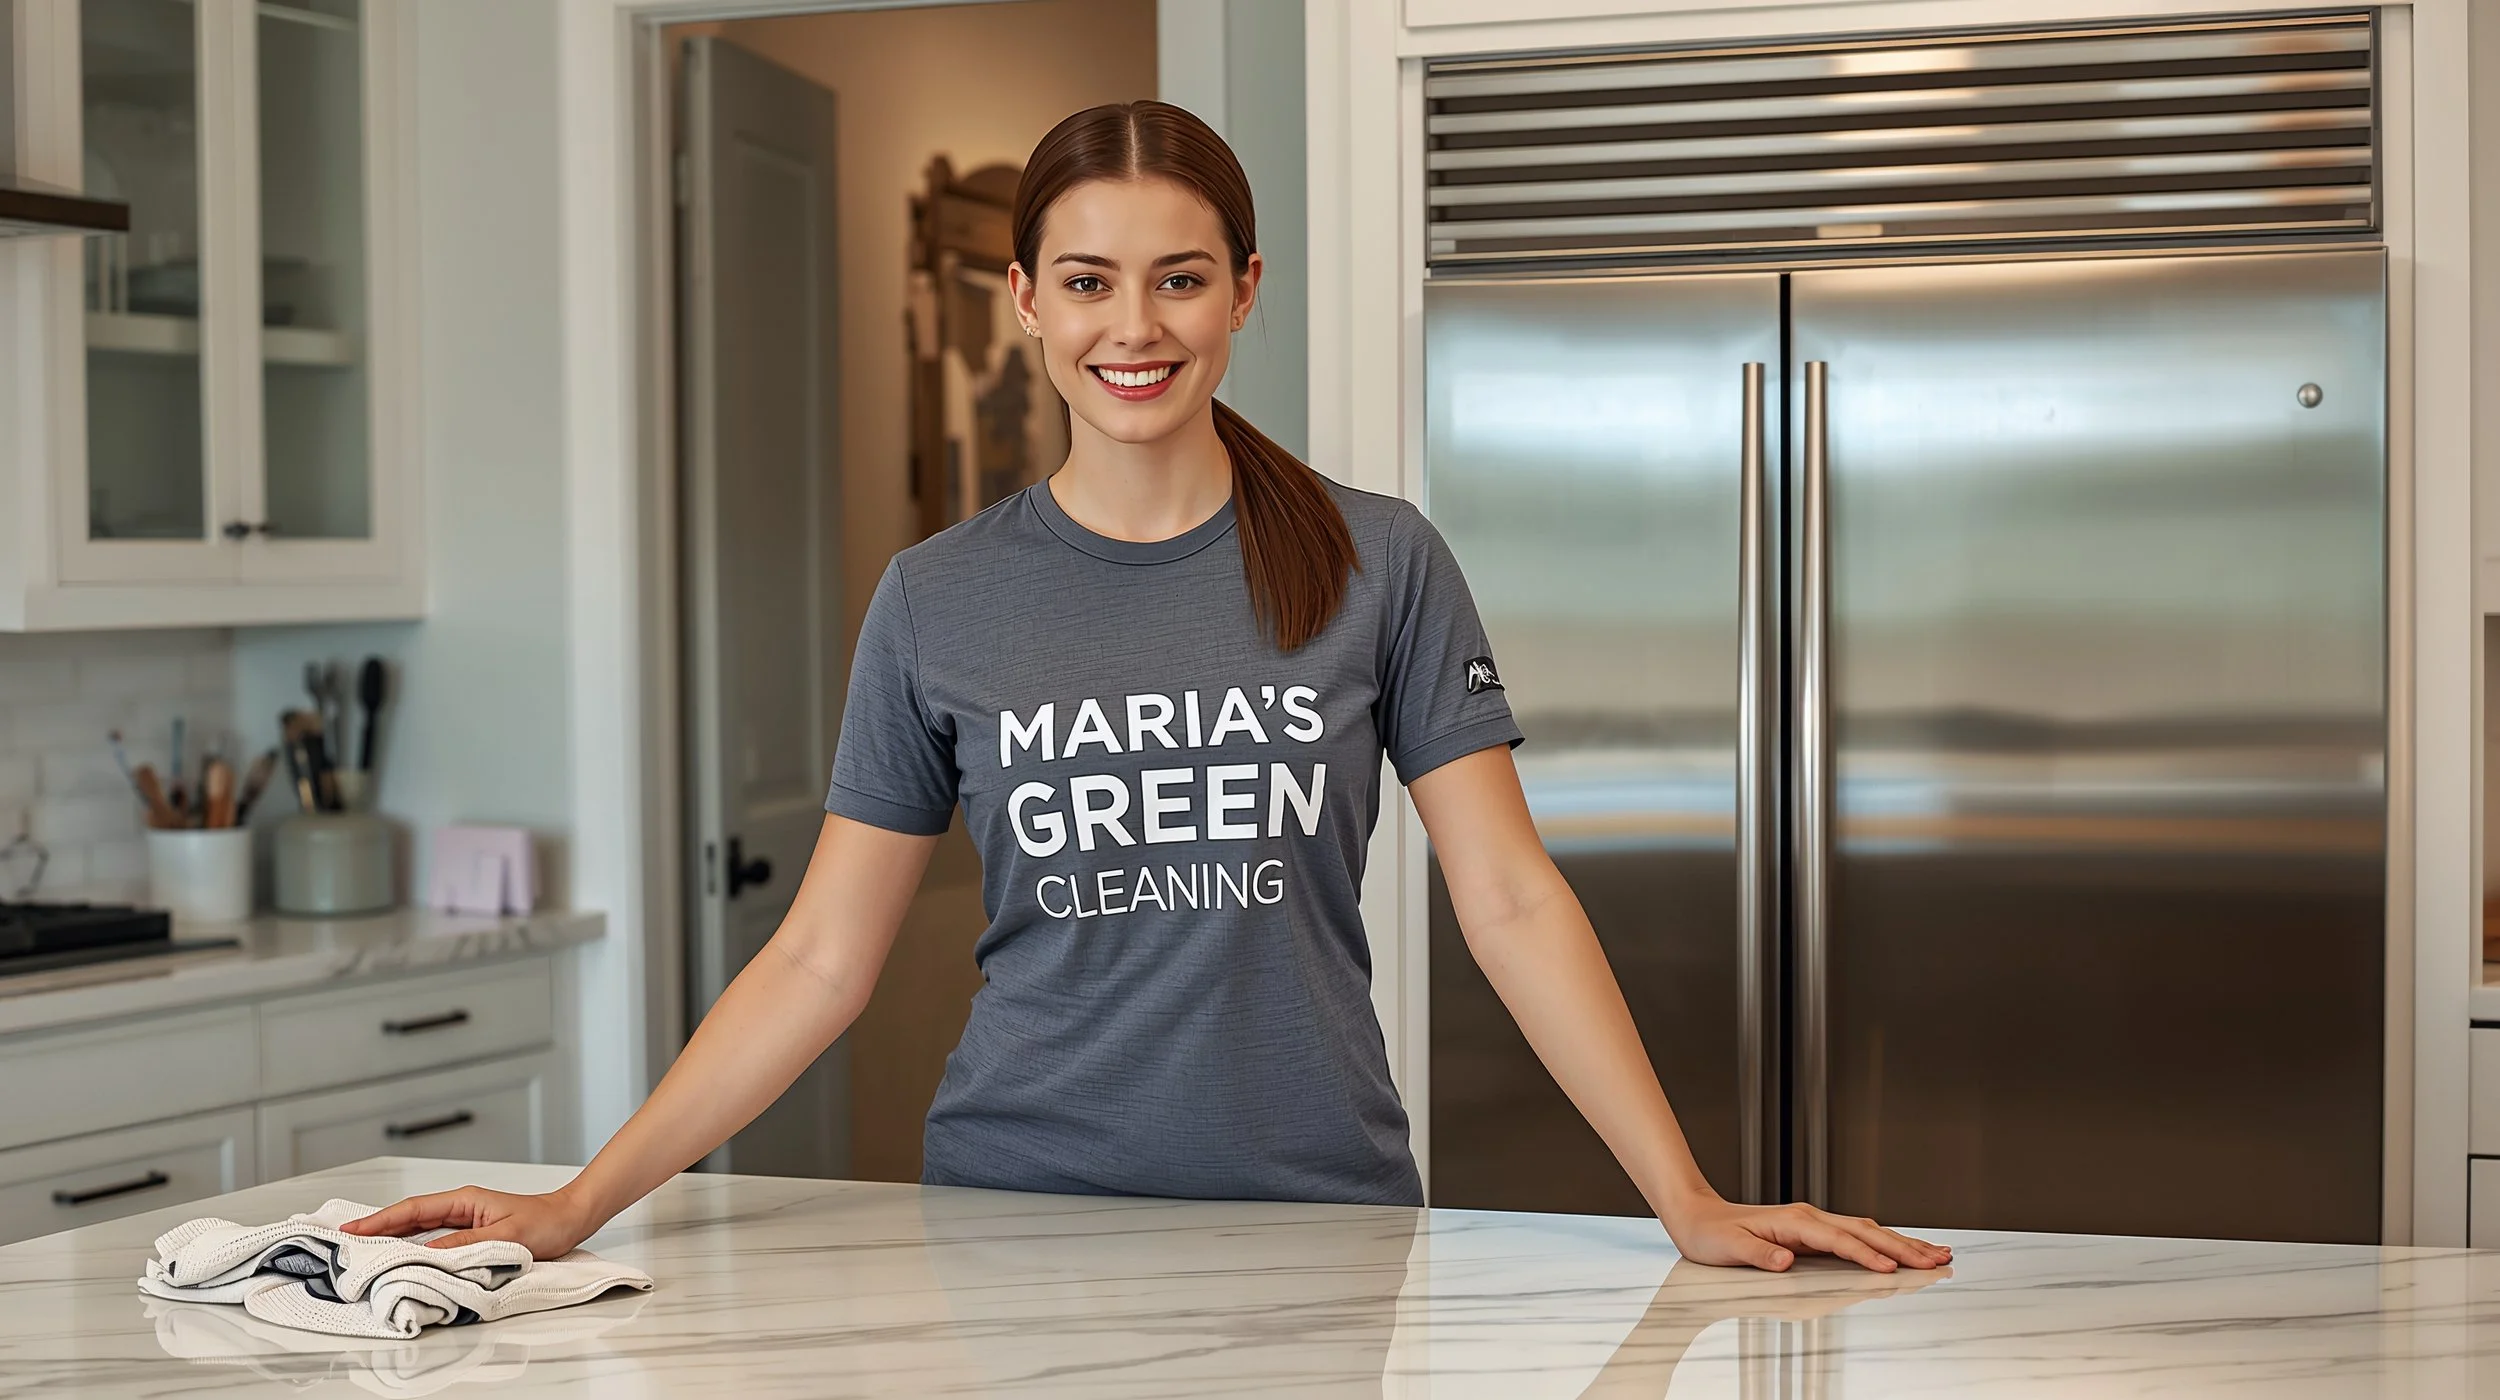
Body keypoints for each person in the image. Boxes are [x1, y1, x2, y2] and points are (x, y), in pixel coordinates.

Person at [344, 101, 1948, 1276]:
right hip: (1016, 1217)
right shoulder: (937, 599)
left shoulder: (1380, 563)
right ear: (1028, 299)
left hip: (1320, 1217)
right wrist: (578, 1201)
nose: (1137, 327)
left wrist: (1681, 1198)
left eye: (1180, 281)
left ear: (1245, 291)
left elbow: (1512, 901)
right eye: (1092, 282)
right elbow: (823, 961)